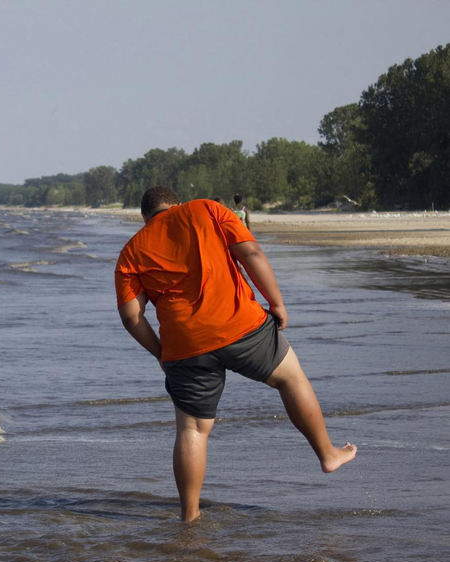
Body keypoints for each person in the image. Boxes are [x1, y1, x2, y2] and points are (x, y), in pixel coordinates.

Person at [114, 186, 356, 521]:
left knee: (192, 430)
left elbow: (131, 317)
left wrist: (161, 353)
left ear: (144, 217)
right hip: (240, 324)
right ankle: (327, 454)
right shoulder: (206, 209)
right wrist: (276, 303)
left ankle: (190, 516)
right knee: (290, 377)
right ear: (177, 204)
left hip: (185, 345)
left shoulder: (131, 251)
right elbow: (251, 253)